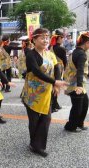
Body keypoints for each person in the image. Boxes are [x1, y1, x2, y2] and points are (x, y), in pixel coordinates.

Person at [21, 28, 67, 157]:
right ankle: (34, 145)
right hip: (32, 94)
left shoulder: (50, 54)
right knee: (34, 121)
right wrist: (54, 82)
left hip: (46, 92)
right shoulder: (30, 54)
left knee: (46, 119)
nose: (45, 40)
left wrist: (56, 83)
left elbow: (57, 67)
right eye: (42, 37)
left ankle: (38, 145)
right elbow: (36, 71)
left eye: (47, 37)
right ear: (34, 40)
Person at [63, 32, 89, 132]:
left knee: (84, 103)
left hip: (75, 83)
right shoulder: (81, 54)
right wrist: (79, 86)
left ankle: (79, 123)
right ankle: (70, 126)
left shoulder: (76, 51)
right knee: (77, 107)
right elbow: (80, 70)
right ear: (86, 42)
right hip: (76, 84)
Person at [50, 30, 67, 112]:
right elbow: (65, 62)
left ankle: (55, 103)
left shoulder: (51, 47)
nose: (63, 39)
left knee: (53, 86)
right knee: (56, 87)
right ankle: (52, 105)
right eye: (62, 38)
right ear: (59, 38)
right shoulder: (61, 49)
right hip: (58, 69)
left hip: (50, 69)